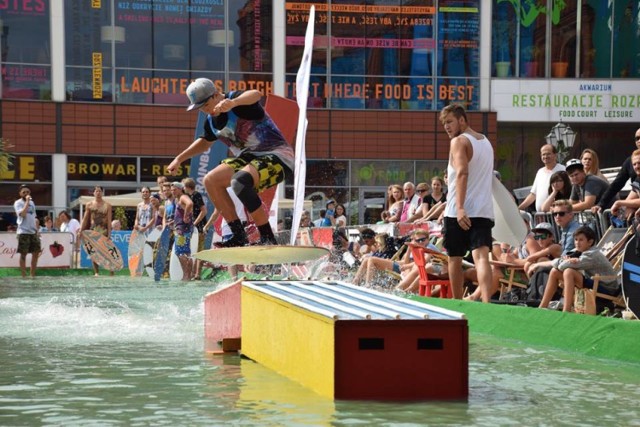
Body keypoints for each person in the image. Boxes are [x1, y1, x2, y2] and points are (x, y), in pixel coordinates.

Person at [167, 78, 294, 247]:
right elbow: (204, 142)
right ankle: (238, 235)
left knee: (239, 181)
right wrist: (179, 158)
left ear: (216, 95)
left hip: (278, 156)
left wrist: (233, 103)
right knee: (210, 180)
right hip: (249, 158)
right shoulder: (211, 122)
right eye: (201, 109)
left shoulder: (237, 101)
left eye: (205, 106)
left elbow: (256, 94)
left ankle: (268, 238)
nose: (206, 111)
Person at [440, 104, 494, 301]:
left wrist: (461, 208)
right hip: (483, 210)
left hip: (458, 211)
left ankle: (457, 303)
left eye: (450, 122)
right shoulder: (486, 142)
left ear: (462, 120)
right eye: (444, 123)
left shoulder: (459, 141)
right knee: (481, 258)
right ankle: (487, 302)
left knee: (454, 258)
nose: (446, 126)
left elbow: (462, 172)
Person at [538, 226, 617, 312]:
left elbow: (561, 266)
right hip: (594, 281)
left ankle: (566, 310)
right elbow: (558, 262)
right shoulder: (579, 250)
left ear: (590, 242)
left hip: (606, 288)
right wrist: (566, 260)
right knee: (554, 271)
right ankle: (542, 307)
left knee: (569, 272)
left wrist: (566, 260)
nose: (577, 243)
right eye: (576, 239)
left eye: (581, 240)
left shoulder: (592, 254)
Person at [526, 199, 581, 276]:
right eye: (555, 214)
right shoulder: (565, 229)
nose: (557, 217)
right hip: (569, 267)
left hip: (576, 269)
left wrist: (539, 264)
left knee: (541, 262)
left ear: (571, 215)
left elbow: (565, 258)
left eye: (561, 214)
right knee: (535, 263)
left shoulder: (574, 231)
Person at [593, 127, 640, 214]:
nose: (637, 166)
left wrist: (621, 203)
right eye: (637, 138)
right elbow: (616, 184)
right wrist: (601, 204)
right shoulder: (629, 161)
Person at [518, 144, 565, 213]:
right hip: (540, 215)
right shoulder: (540, 172)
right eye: (543, 154)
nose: (545, 156)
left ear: (555, 155)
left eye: (548, 154)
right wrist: (518, 209)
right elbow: (533, 195)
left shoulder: (562, 170)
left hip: (557, 215)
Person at [80, 185, 113, 276]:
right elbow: (85, 218)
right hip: (93, 230)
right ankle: (96, 272)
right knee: (93, 252)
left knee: (107, 252)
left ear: (102, 193)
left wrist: (109, 233)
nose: (98, 193)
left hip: (104, 230)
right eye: (96, 191)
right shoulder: (89, 204)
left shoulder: (108, 205)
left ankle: (111, 271)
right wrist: (81, 230)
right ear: (94, 193)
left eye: (100, 191)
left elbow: (109, 220)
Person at [183, 177, 208, 280]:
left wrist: (195, 223)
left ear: (187, 186)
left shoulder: (196, 195)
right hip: (193, 228)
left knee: (199, 251)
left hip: (199, 228)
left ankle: (197, 274)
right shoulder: (189, 196)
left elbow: (204, 211)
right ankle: (193, 273)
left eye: (184, 186)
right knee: (194, 250)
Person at [13, 185, 40, 277]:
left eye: (27, 192)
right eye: (23, 192)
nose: (26, 193)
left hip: (33, 232)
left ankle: (32, 274)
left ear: (30, 193)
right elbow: (23, 214)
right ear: (20, 194)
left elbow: (34, 217)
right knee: (23, 254)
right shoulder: (18, 203)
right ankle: (24, 275)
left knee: (36, 253)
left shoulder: (32, 203)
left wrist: (37, 229)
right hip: (23, 232)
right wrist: (27, 202)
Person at [170, 182, 194, 281]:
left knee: (180, 252)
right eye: (172, 190)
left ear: (180, 189)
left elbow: (190, 203)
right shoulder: (178, 199)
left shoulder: (183, 197)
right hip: (183, 229)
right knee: (186, 252)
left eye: (174, 190)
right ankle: (188, 275)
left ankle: (186, 275)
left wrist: (185, 216)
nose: (173, 192)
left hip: (182, 230)